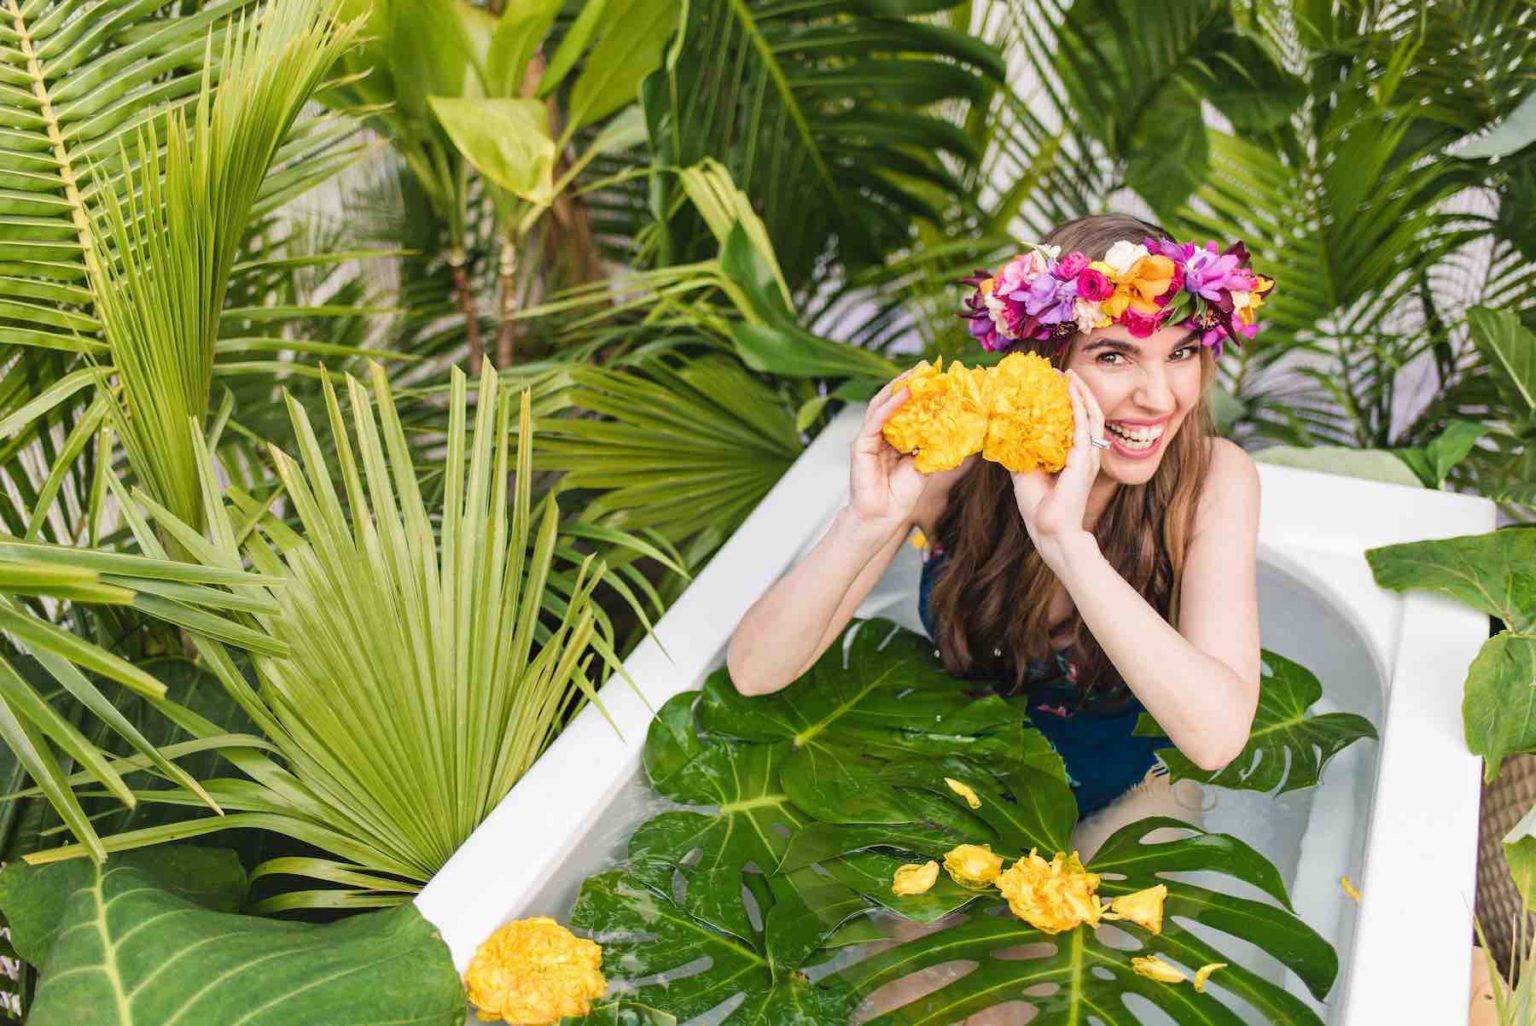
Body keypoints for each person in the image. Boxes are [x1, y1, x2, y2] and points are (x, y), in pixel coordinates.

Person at [725, 212, 1265, 856]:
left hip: (1129, 792)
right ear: (1041, 363)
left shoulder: (1210, 479)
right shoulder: (954, 466)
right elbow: (755, 673)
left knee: (1088, 941)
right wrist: (866, 522)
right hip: (962, 772)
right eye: (1114, 355)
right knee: (923, 955)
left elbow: (1217, 736)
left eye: (1181, 353)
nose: (1159, 396)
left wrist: (1067, 544)